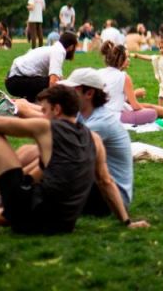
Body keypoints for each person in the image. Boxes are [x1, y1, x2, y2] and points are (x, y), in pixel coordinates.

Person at [0, 84, 147, 234]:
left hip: (34, 215)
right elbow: (106, 181)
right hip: (65, 223)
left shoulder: (46, 128)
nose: (42, 115)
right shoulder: (94, 138)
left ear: (56, 110)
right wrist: (127, 222)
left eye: (44, 110)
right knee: (32, 155)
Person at [58, 67, 138, 220]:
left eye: (73, 91)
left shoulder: (100, 123)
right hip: (98, 187)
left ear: (89, 94)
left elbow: (64, 149)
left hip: (109, 199)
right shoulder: (86, 114)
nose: (68, 96)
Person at [98, 41, 163, 124]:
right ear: (120, 59)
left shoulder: (99, 72)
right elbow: (135, 106)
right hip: (114, 117)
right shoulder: (123, 76)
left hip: (99, 113)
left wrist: (135, 95)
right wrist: (145, 110)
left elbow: (112, 97)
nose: (129, 60)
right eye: (127, 57)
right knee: (152, 112)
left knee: (148, 106)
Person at [6, 32, 79, 102]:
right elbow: (53, 82)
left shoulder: (52, 49)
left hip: (13, 78)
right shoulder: (59, 51)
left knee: (53, 84)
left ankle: (29, 103)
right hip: (16, 81)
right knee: (55, 86)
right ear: (71, 47)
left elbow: (58, 77)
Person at [130, 36, 163, 107]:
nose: (161, 50)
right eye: (160, 48)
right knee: (161, 97)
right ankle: (161, 112)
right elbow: (149, 57)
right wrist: (137, 55)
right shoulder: (159, 58)